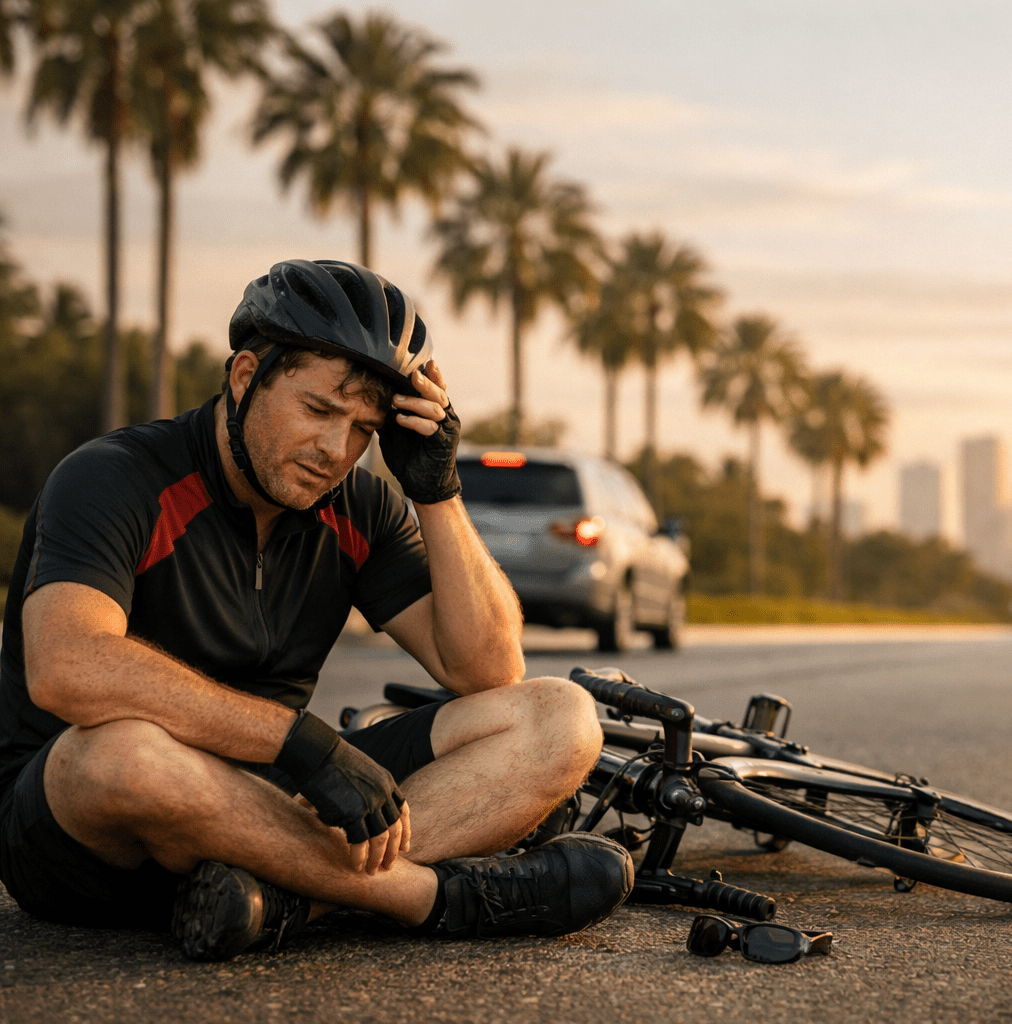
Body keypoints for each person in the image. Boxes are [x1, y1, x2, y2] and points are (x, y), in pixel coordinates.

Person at [0, 259, 633, 961]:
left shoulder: (359, 506)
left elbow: (486, 670)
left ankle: (280, 901)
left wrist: (438, 490)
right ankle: (433, 898)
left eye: (363, 428)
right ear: (246, 377)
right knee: (123, 754)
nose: (336, 450)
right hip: (86, 832)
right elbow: (66, 667)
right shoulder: (114, 477)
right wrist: (299, 741)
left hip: (275, 802)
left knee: (561, 716)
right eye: (319, 410)